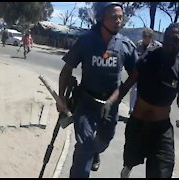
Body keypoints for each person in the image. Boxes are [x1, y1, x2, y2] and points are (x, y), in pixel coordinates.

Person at [57, 2, 138, 178]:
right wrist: (61, 98)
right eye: (114, 17)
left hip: (110, 106)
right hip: (86, 103)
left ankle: (94, 152)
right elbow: (66, 70)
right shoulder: (86, 41)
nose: (118, 21)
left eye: (120, 18)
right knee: (84, 144)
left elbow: (134, 75)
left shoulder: (125, 45)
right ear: (102, 19)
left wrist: (117, 96)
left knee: (103, 141)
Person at [118, 23, 179, 178]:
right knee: (131, 158)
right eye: (167, 37)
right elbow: (129, 82)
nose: (169, 41)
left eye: (175, 39)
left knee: (161, 172)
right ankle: (128, 167)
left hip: (161, 129)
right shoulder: (148, 57)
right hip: (138, 124)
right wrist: (112, 102)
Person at [129, 27, 162, 115]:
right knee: (134, 90)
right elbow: (135, 57)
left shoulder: (157, 46)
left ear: (151, 37)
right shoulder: (138, 45)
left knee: (150, 92)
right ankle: (132, 110)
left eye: (146, 36)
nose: (144, 38)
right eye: (143, 36)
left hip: (152, 73)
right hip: (139, 71)